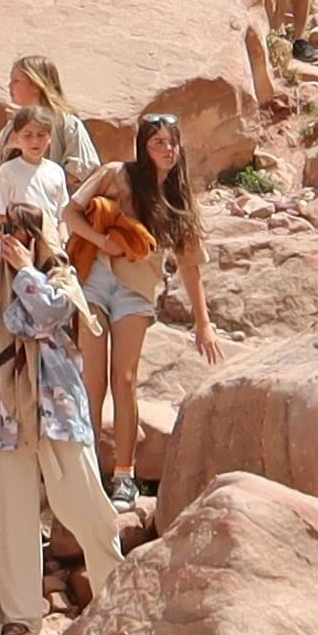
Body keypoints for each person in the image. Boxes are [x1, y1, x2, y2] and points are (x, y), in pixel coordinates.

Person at [0, 208, 127, 627]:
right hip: (7, 416)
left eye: (17, 232)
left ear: (35, 237)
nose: (8, 240)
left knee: (88, 506)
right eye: (2, 231)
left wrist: (24, 271)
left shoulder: (62, 279)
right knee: (12, 518)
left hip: (59, 412)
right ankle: (18, 620)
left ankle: (119, 600)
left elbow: (46, 317)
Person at [82, 107, 220, 490]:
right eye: (158, 142)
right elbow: (71, 211)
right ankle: (86, 472)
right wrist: (100, 241)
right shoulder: (117, 175)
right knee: (92, 380)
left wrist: (203, 323)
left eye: (172, 142)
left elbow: (190, 265)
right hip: (95, 281)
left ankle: (123, 475)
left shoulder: (177, 199)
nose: (167, 149)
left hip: (136, 291)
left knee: (124, 379)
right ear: (143, 147)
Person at [0, 58, 94, 231]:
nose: (9, 86)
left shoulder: (66, 123)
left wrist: (38, 177)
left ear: (36, 84)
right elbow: (1, 171)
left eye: (16, 81)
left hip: (57, 223)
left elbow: (84, 169)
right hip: (17, 226)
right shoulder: (12, 127)